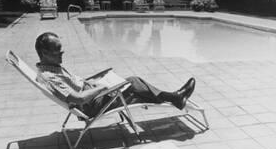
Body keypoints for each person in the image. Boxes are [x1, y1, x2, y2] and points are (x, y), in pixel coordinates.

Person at [35, 32, 196, 117]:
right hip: (91, 105)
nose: (62, 53)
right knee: (133, 84)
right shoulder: (49, 76)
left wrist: (93, 82)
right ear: (44, 53)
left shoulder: (51, 66)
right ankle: (175, 97)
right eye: (57, 51)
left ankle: (173, 97)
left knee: (136, 89)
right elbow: (79, 99)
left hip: (92, 95)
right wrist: (102, 87)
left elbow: (76, 88)